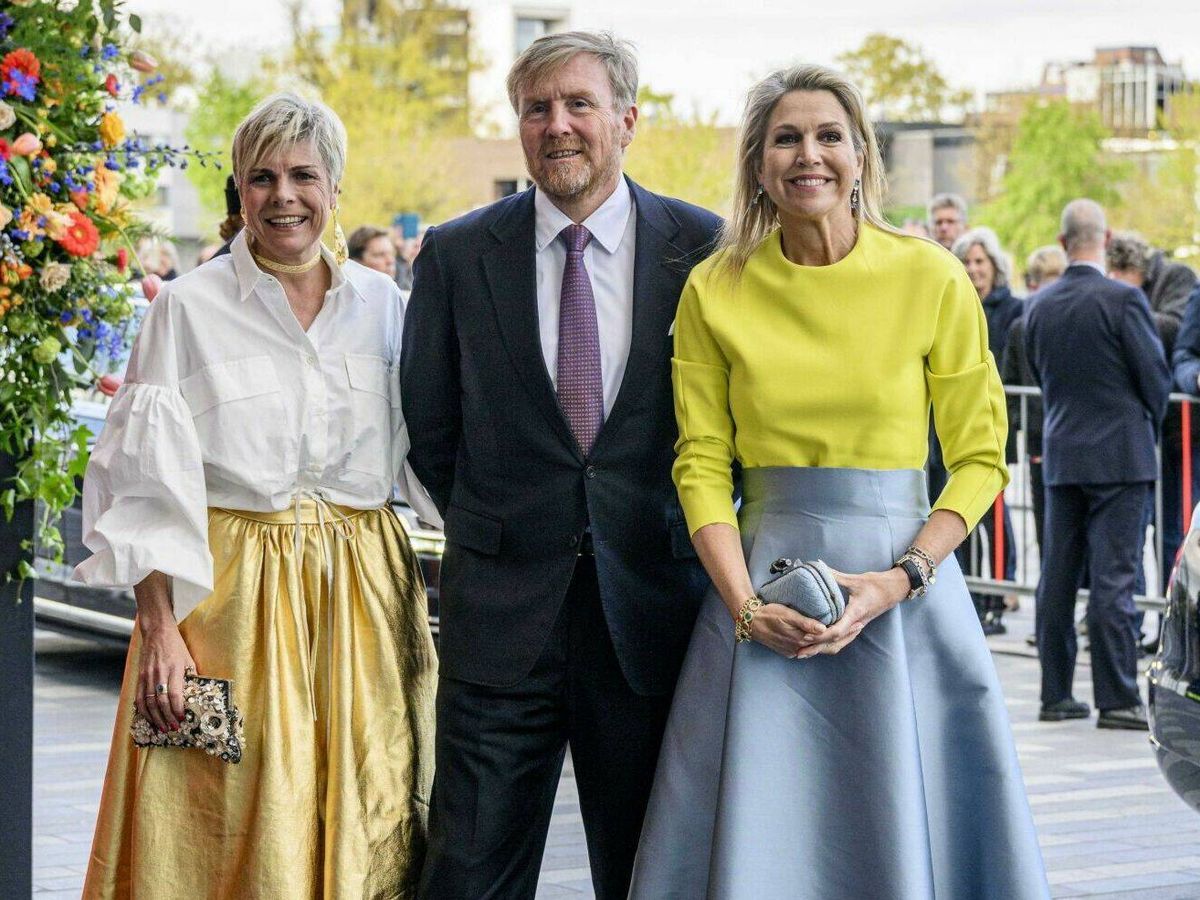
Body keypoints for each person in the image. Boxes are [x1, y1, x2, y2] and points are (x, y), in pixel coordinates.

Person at [628, 63, 1047, 898]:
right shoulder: (715, 288)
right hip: (761, 595)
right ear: (757, 164)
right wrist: (745, 606)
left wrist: (903, 579)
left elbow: (978, 454)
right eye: (786, 138)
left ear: (861, 155)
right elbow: (701, 462)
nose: (807, 155)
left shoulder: (929, 275)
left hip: (908, 592)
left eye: (828, 136)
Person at [74, 93, 437, 898]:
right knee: (225, 825)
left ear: (334, 187)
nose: (284, 196)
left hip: (364, 599)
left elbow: (437, 452)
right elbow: (143, 486)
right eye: (261, 178)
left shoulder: (385, 308)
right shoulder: (186, 309)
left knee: (367, 811)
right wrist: (158, 626)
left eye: (303, 175)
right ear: (239, 193)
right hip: (229, 603)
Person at [401, 31, 721, 899]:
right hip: (501, 626)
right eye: (537, 108)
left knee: (650, 873)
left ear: (627, 119)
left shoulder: (704, 250)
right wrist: (496, 523)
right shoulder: (459, 253)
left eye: (579, 104)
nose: (558, 126)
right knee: (467, 875)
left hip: (650, 617)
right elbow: (430, 425)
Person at [1024, 199, 1169, 731]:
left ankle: (1055, 692)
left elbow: (1039, 374)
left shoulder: (1036, 306)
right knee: (1114, 578)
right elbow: (1154, 378)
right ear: (1105, 239)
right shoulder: (1123, 300)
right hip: (1121, 457)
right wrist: (1142, 424)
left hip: (1063, 455)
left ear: (1063, 243)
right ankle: (1117, 697)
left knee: (1057, 578)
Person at [1109, 231, 1198, 604]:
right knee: (1169, 529)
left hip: (1172, 426)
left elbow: (1172, 331)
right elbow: (1184, 355)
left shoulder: (1174, 279)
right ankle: (1171, 613)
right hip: (1171, 433)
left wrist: (1124, 312)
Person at [952, 226, 1021, 633]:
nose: (974, 269)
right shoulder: (956, 303)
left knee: (994, 515)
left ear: (995, 266)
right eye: (967, 262)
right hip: (952, 429)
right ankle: (971, 595)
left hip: (995, 425)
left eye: (980, 261)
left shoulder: (1012, 310)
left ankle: (997, 593)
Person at [1002, 245, 1068, 647]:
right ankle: (1050, 625)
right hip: (1042, 442)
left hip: (1054, 439)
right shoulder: (1023, 327)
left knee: (1057, 539)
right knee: (1050, 537)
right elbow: (1011, 386)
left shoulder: (1036, 321)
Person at [923, 193, 969, 515]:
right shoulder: (924, 268)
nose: (944, 228)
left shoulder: (973, 267)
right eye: (938, 222)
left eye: (950, 222)